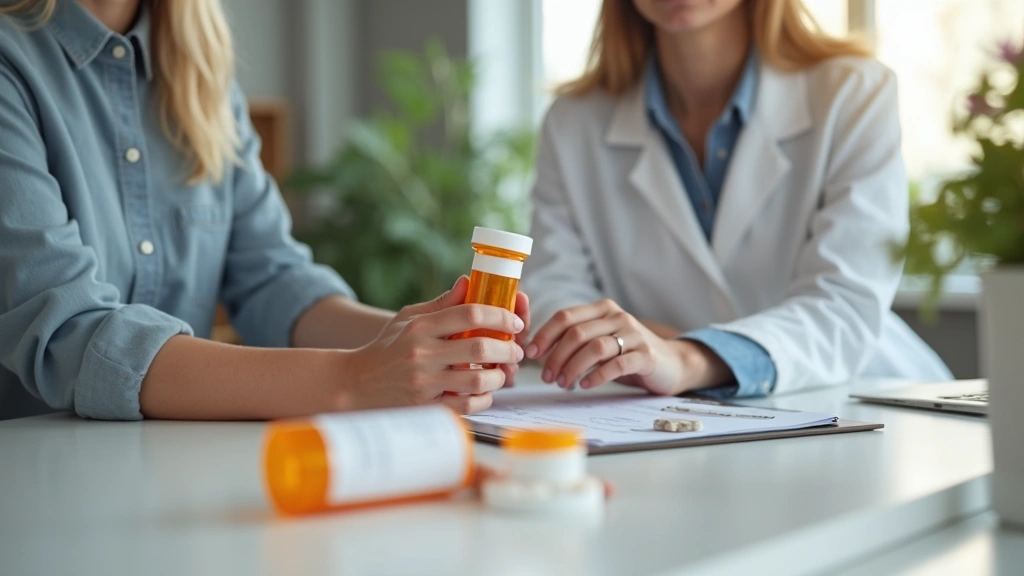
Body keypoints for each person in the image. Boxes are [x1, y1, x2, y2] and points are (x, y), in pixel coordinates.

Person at [0, 0, 528, 421]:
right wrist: (354, 378)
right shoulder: (12, 64)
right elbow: (68, 335)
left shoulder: (201, 76)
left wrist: (414, 342)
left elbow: (272, 281)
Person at [521, 0, 951, 397]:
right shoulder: (572, 122)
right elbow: (551, 291)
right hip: (659, 413)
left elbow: (843, 306)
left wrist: (689, 355)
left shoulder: (852, 93)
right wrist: (659, 349)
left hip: (859, 399)